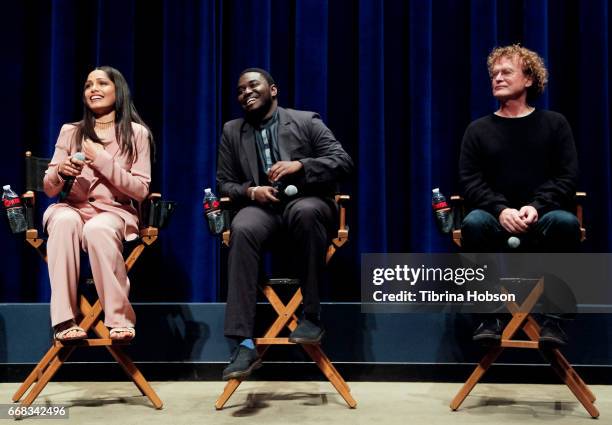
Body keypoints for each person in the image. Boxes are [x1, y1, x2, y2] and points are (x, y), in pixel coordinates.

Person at [217, 68, 353, 380]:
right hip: (262, 207)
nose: (246, 93)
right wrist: (251, 191)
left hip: (308, 202)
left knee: (304, 212)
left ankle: (312, 316)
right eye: (240, 90)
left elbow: (343, 162)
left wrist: (301, 165)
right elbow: (224, 182)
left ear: (273, 90)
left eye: (253, 85)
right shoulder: (232, 131)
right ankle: (243, 343)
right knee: (242, 227)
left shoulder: (306, 121)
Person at [458, 45, 580, 346]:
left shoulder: (555, 124)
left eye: (506, 72)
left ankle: (554, 321)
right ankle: (489, 316)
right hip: (496, 218)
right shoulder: (478, 130)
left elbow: (566, 176)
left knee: (565, 222)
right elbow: (470, 181)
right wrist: (500, 209)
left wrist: (536, 206)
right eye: (494, 74)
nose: (497, 78)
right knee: (473, 223)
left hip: (541, 216)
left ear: (528, 79)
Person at [43, 66, 153, 342]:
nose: (94, 89)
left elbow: (140, 190)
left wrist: (103, 160)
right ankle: (64, 320)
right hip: (72, 208)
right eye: (89, 85)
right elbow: (48, 187)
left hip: (114, 212)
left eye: (102, 83)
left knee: (98, 228)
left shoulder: (137, 133)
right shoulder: (71, 132)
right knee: (63, 220)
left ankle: (119, 319)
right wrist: (61, 172)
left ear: (118, 92)